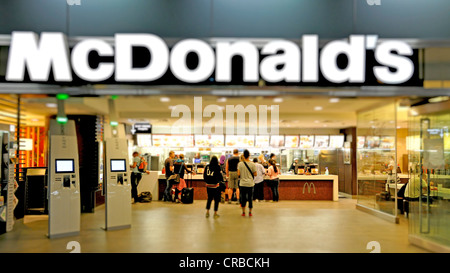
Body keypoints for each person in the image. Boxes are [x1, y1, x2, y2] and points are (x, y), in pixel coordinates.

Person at [237, 150, 257, 216]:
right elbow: (255, 174)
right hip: (250, 184)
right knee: (250, 198)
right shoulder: (252, 164)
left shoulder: (240, 164)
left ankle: (243, 212)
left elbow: (238, 174)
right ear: (249, 155)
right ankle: (250, 212)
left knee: (243, 198)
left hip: (242, 183)